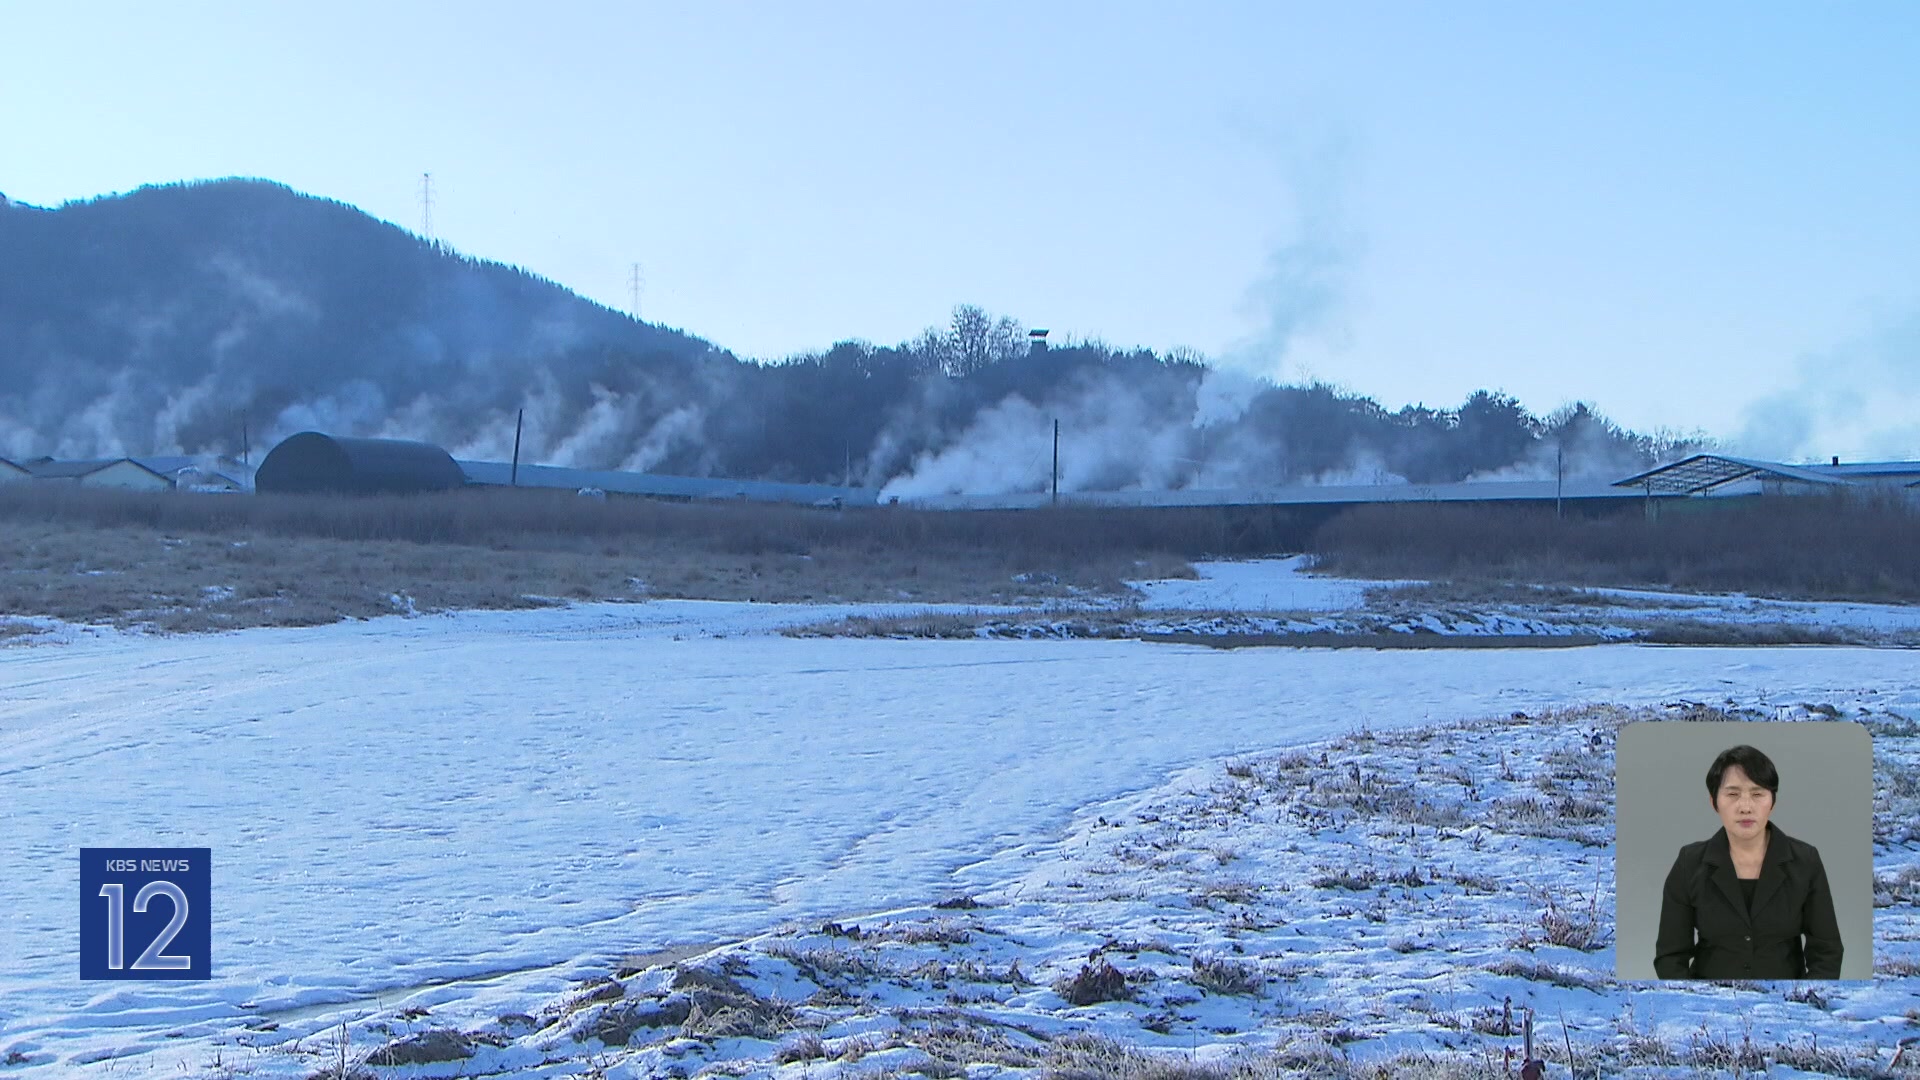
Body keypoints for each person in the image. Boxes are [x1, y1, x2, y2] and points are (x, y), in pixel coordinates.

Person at [1653, 744, 1843, 979]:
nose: (1745, 807)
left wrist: (1803, 1002)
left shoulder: (1805, 860)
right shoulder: (1689, 863)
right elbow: (1670, 957)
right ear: (1714, 802)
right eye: (1732, 794)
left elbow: (1827, 952)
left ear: (1772, 802)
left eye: (1757, 794)